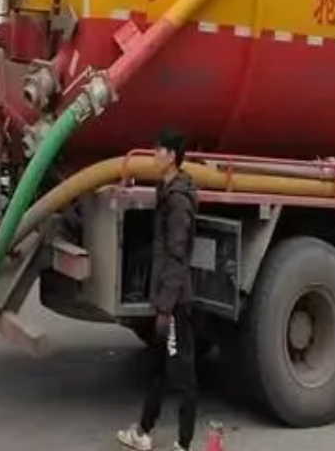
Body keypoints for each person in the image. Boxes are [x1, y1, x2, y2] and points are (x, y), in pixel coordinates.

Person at [117, 129, 198, 451]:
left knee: (183, 374)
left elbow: (178, 255)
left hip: (175, 300)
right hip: (167, 297)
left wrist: (165, 307)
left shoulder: (178, 199)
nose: (154, 153)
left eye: (159, 149)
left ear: (171, 155)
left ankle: (184, 442)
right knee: (158, 366)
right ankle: (143, 432)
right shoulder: (167, 188)